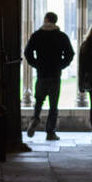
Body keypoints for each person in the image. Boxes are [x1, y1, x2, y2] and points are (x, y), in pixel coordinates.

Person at [24, 11, 74, 140]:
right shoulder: (61, 36)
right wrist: (61, 65)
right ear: (55, 21)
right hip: (55, 74)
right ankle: (50, 132)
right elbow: (70, 54)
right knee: (53, 105)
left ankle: (35, 118)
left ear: (46, 20)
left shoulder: (37, 35)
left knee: (39, 100)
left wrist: (36, 64)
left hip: (42, 74)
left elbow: (27, 52)